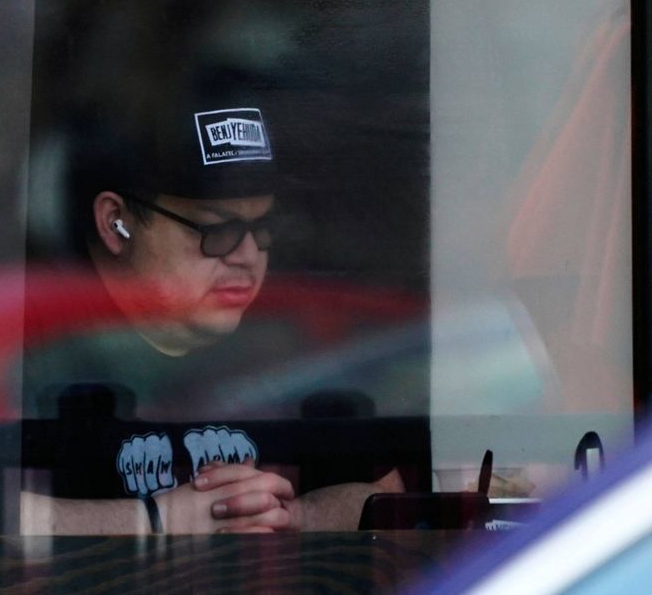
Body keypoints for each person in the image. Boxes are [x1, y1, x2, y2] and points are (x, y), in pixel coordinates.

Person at [20, 100, 405, 535]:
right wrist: (153, 520)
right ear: (116, 223)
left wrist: (290, 515)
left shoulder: (299, 356)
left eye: (264, 228)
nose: (248, 256)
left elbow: (394, 496)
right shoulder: (35, 358)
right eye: (216, 231)